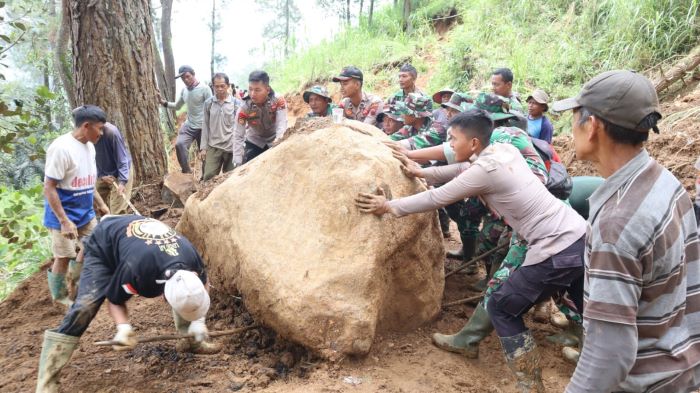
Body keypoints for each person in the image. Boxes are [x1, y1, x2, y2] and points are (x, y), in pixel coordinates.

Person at [360, 110, 585, 392]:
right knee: (584, 306)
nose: (450, 145)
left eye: (453, 139)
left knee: (501, 307)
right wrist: (423, 171)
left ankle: (531, 387)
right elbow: (462, 169)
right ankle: (597, 368)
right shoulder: (502, 150)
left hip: (554, 246)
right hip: (579, 236)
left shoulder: (485, 170)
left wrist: (389, 207)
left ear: (475, 143)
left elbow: (437, 196)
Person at [552, 70, 700, 393]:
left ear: (592, 127)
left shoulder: (616, 225)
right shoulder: (666, 182)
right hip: (681, 373)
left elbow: (610, 354)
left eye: (575, 116)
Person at [35, 215, 221, 393]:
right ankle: (47, 381)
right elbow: (115, 300)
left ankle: (190, 342)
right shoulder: (138, 270)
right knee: (86, 306)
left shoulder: (192, 259)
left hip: (134, 241)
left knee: (186, 295)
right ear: (163, 296)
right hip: (104, 244)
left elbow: (200, 288)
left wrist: (199, 322)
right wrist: (123, 327)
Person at [43, 105, 110, 307]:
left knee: (93, 246)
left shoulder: (89, 147)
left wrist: (100, 204)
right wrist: (64, 221)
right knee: (64, 256)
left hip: (85, 212)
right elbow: (49, 187)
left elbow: (88, 181)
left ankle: (78, 284)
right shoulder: (61, 148)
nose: (102, 132)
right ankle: (60, 298)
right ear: (86, 126)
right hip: (62, 215)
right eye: (99, 128)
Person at [159, 65, 213, 174]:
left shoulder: (205, 89)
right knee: (180, 145)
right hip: (189, 125)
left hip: (203, 127)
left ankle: (205, 177)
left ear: (193, 74)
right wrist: (163, 102)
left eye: (187, 76)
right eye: (183, 78)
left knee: (204, 154)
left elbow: (211, 109)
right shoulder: (184, 91)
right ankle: (186, 172)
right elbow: (177, 106)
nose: (185, 80)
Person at [233, 70, 288, 165]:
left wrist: (279, 143)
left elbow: (281, 125)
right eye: (250, 89)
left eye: (257, 90)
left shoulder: (278, 100)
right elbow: (238, 135)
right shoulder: (243, 108)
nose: (253, 94)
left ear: (268, 90)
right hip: (254, 141)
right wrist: (237, 159)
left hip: (274, 139)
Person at [200, 72, 237, 181]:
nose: (220, 89)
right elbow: (205, 125)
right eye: (217, 86)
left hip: (231, 147)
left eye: (222, 86)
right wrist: (203, 148)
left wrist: (240, 146)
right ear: (213, 87)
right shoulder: (208, 103)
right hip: (213, 146)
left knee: (231, 178)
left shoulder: (236, 104)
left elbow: (240, 127)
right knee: (208, 177)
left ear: (228, 86)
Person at [94, 122, 133, 215]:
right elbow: (87, 161)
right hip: (100, 173)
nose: (101, 133)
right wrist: (101, 176)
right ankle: (104, 227)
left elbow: (122, 160)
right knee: (95, 206)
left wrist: (123, 181)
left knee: (117, 211)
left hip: (121, 173)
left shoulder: (111, 132)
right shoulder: (83, 138)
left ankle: (119, 227)